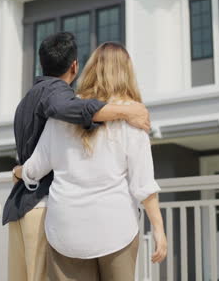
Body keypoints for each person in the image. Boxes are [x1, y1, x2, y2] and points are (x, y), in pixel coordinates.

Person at [14, 42, 167, 281]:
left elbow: (35, 168)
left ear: (87, 69)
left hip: (66, 230)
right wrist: (159, 229)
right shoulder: (133, 118)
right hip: (115, 228)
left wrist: (18, 171)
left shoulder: (61, 117)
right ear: (127, 73)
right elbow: (143, 185)